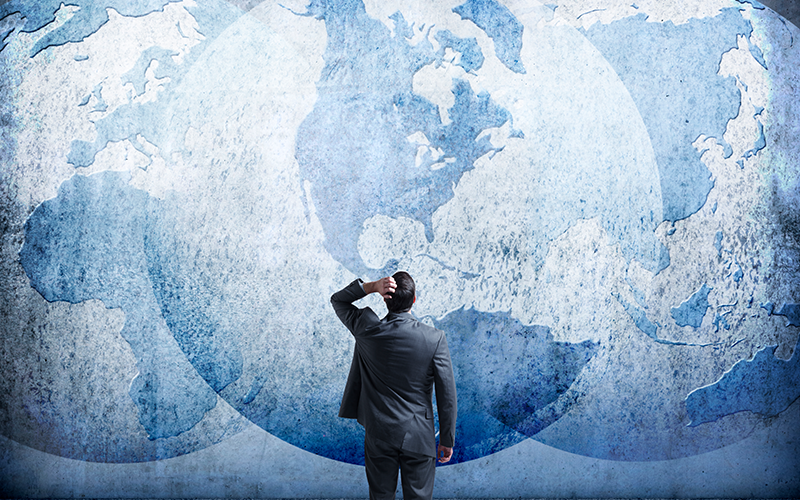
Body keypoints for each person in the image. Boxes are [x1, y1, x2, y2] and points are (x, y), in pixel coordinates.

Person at [331, 271, 457, 500]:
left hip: (379, 433)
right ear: (414, 299)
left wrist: (372, 286)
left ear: (385, 298)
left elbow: (338, 300)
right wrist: (447, 439)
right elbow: (446, 394)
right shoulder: (434, 339)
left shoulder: (366, 329)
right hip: (419, 434)